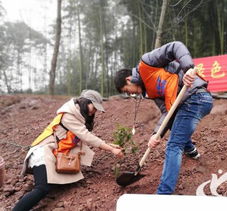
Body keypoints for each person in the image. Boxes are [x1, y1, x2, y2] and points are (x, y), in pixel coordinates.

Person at [114, 41, 213, 194]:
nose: (132, 94)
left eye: (128, 91)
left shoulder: (147, 64)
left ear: (128, 79)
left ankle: (163, 194)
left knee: (173, 145)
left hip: (196, 97)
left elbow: (175, 47)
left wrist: (188, 68)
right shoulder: (150, 92)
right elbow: (167, 112)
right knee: (174, 125)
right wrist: (156, 134)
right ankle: (191, 150)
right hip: (188, 103)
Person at [13, 90, 123, 211]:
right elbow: (86, 136)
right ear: (86, 102)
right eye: (94, 107)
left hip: (50, 152)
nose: (94, 111)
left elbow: (85, 135)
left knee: (48, 186)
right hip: (42, 152)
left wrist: (109, 145)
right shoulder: (68, 115)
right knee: (42, 188)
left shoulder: (77, 115)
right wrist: (111, 149)